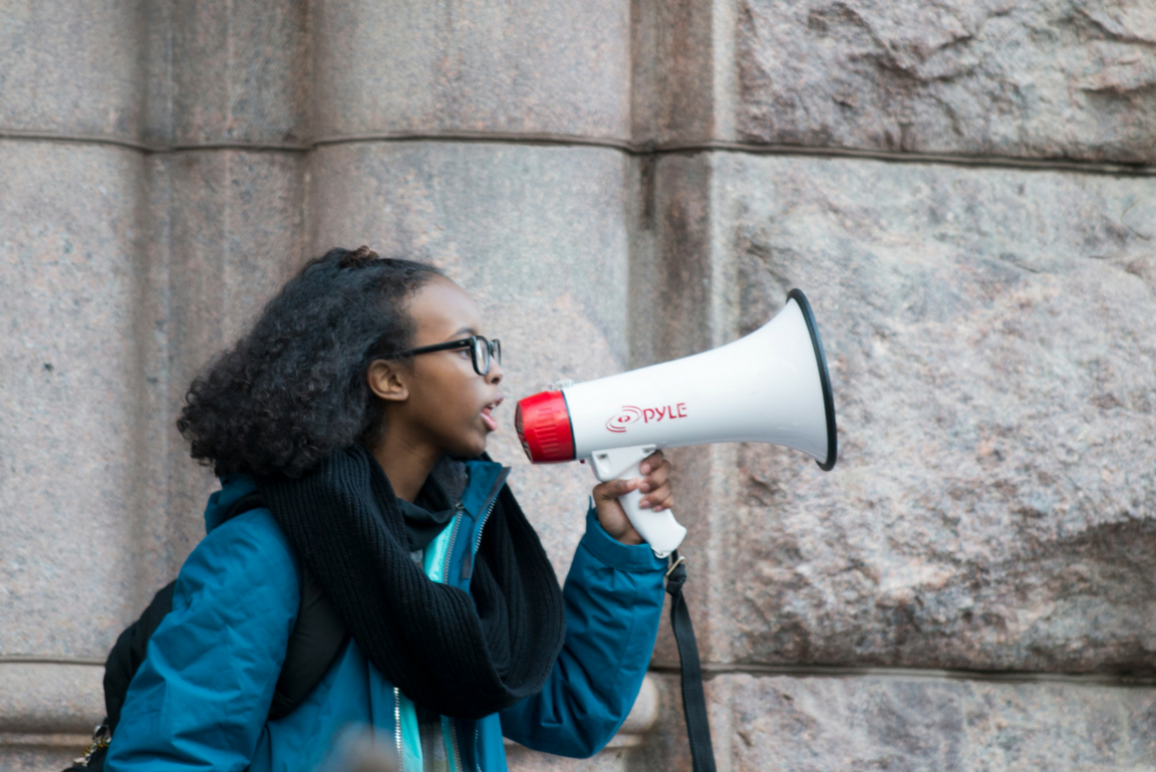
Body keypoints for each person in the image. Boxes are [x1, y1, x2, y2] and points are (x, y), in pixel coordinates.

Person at [105, 246, 673, 772]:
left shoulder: (465, 544)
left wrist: (619, 546)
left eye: (491, 349)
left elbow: (569, 713)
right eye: (467, 347)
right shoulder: (262, 553)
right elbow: (170, 758)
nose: (493, 370)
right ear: (389, 378)